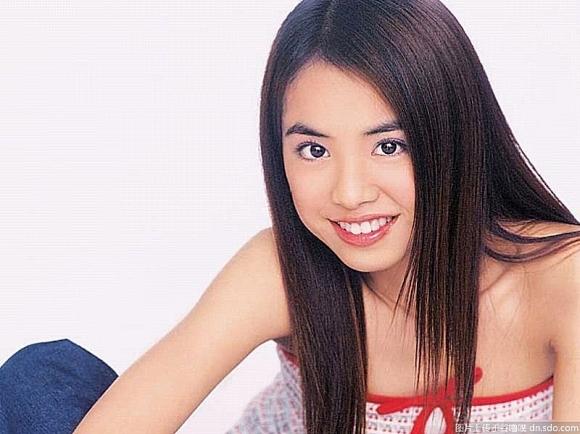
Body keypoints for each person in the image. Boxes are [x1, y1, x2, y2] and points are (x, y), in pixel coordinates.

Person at [1, 0, 579, 433]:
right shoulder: (280, 269)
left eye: (389, 146)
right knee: (40, 380)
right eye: (314, 150)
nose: (349, 193)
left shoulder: (563, 280)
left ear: (457, 136)